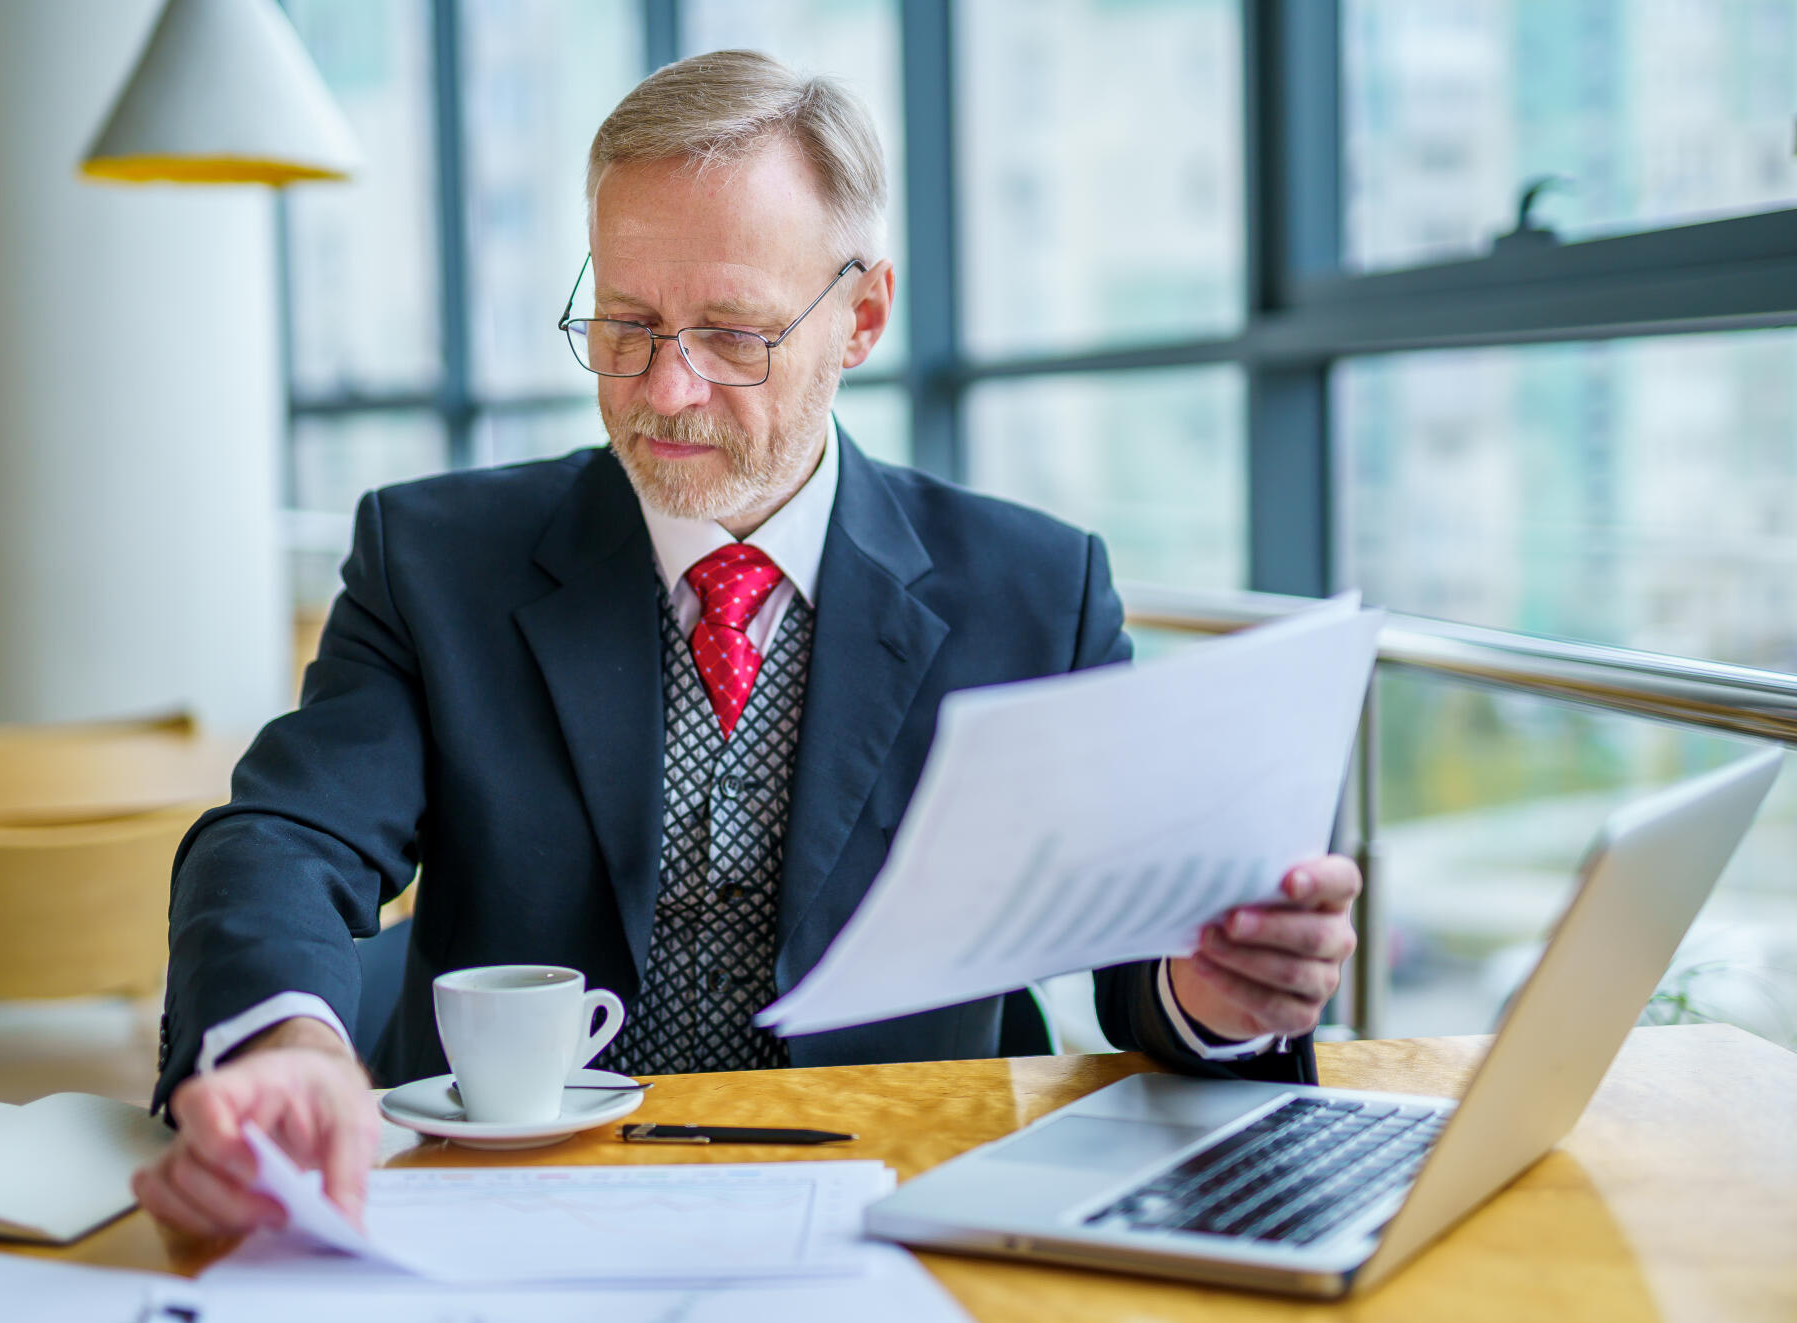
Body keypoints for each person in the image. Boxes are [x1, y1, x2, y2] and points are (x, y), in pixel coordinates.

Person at [132, 50, 1361, 1238]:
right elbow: (284, 836)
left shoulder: (1035, 593)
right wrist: (286, 1038)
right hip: (505, 1195)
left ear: (861, 315)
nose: (665, 390)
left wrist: (1211, 995)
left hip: (902, 1197)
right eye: (626, 324)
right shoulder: (434, 558)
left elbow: (1133, 951)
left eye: (731, 333)